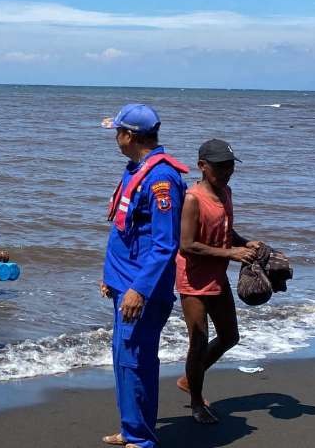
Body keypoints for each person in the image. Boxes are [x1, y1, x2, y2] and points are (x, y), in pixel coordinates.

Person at [99, 103, 188, 448]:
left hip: (142, 289)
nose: (115, 139)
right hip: (124, 282)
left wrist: (139, 289)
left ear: (130, 135)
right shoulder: (136, 169)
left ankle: (142, 439)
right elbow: (127, 232)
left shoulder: (161, 179)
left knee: (136, 360)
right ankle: (131, 427)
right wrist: (110, 276)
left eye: (117, 132)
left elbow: (165, 245)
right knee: (123, 359)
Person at [176, 139, 263, 424]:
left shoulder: (226, 192)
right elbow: (187, 244)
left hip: (217, 276)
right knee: (198, 342)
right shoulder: (192, 199)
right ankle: (196, 402)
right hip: (193, 279)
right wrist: (231, 253)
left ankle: (191, 378)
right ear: (202, 166)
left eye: (230, 166)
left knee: (230, 336)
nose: (227, 172)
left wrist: (244, 242)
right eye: (220, 167)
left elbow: (225, 230)